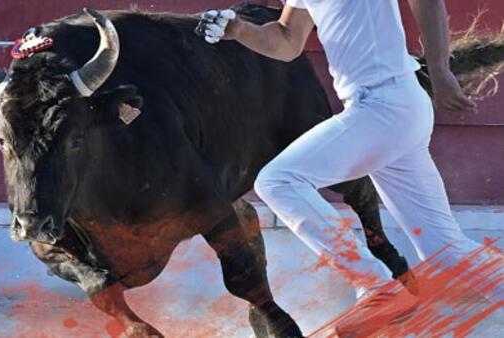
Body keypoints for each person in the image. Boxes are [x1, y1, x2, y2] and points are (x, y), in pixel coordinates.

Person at [196, 0, 499, 334]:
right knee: (447, 252)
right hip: (388, 109)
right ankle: (379, 288)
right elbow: (286, 40)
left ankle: (376, 287)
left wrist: (441, 71)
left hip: (384, 104)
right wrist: (239, 30)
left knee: (277, 182)